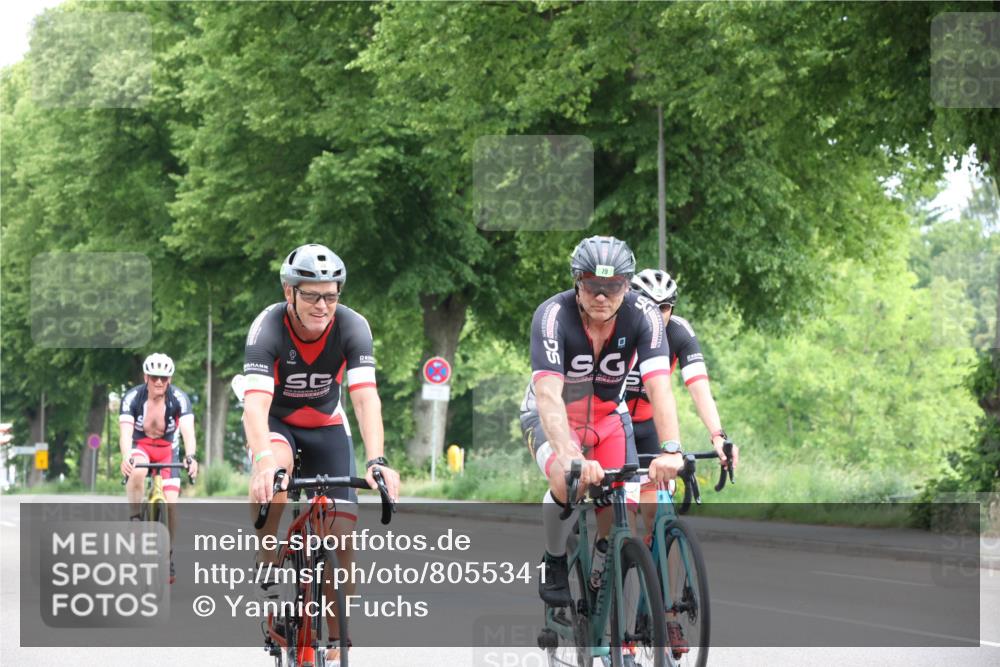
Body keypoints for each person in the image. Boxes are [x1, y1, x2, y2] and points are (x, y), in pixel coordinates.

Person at [243, 243, 400, 664]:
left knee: (342, 532)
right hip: (278, 426)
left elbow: (366, 400)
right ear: (288, 291)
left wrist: (377, 461)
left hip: (328, 426)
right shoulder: (268, 329)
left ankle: (336, 639)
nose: (322, 305)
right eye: (311, 294)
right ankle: (269, 566)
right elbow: (255, 408)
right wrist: (262, 463)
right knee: (275, 477)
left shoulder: (353, 327)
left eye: (330, 295)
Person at [519, 235, 685, 608]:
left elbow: (661, 388)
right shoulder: (552, 315)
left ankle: (601, 569)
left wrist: (671, 448)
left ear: (626, 285)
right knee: (568, 481)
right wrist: (571, 455)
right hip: (553, 417)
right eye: (592, 285)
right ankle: (555, 559)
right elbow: (548, 395)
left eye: (613, 287)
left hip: (609, 417)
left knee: (616, 503)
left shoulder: (643, 315)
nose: (601, 296)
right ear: (577, 281)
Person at [626, 268, 739, 658]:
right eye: (650, 308)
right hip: (615, 424)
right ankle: (607, 582)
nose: (659, 316)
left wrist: (718, 437)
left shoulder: (679, 332)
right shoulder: (621, 329)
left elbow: (698, 386)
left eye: (667, 308)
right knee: (618, 512)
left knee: (663, 514)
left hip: (651, 429)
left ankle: (669, 613)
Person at [119, 353, 199, 583]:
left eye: (164, 378)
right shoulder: (133, 397)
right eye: (154, 377)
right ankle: (135, 517)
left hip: (167, 450)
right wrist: (126, 456)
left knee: (172, 504)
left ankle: (168, 554)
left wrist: (191, 456)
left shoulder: (179, 399)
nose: (159, 382)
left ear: (170, 379)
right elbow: (125, 432)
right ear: (146, 376)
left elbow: (187, 431)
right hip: (141, 445)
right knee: (137, 469)